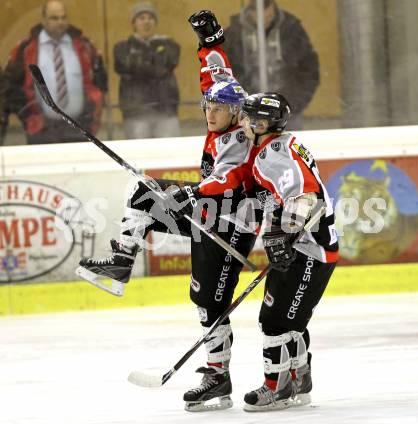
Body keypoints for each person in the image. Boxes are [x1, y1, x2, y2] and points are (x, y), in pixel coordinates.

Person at [77, 10, 260, 412]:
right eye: (206, 106)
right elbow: (215, 69)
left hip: (231, 223)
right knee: (142, 192)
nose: (208, 113)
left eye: (216, 110)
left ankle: (218, 377)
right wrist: (210, 39)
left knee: (210, 304)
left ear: (235, 114)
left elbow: (226, 182)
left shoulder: (242, 139)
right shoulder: (224, 100)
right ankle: (122, 262)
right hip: (208, 214)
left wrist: (188, 196)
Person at [236, 92, 338, 411]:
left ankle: (276, 387)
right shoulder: (275, 146)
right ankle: (298, 378)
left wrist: (282, 232)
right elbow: (277, 195)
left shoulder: (273, 153)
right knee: (288, 320)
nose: (246, 122)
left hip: (311, 249)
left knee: (275, 319)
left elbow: (306, 194)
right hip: (305, 244)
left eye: (254, 118)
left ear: (267, 124)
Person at [4, 0, 107, 145]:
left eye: (63, 17)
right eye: (54, 18)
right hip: (40, 130)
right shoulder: (25, 49)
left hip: (80, 127)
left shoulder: (85, 46)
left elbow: (100, 83)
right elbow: (11, 88)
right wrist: (28, 118)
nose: (60, 22)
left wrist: (90, 118)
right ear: (44, 20)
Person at [224, 0, 320, 130]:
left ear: (273, 9)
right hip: (247, 112)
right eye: (259, 18)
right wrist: (240, 102)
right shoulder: (234, 34)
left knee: (288, 146)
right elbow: (224, 74)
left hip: (286, 112)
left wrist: (294, 103)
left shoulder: (291, 30)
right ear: (251, 13)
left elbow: (309, 68)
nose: (265, 22)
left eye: (269, 17)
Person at [114, 3, 181, 139]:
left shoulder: (170, 45)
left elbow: (163, 67)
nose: (146, 22)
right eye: (141, 18)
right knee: (138, 155)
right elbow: (126, 65)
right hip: (136, 113)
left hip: (165, 110)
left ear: (155, 22)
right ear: (134, 23)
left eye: (150, 18)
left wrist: (140, 63)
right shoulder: (122, 48)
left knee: (170, 154)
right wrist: (153, 61)